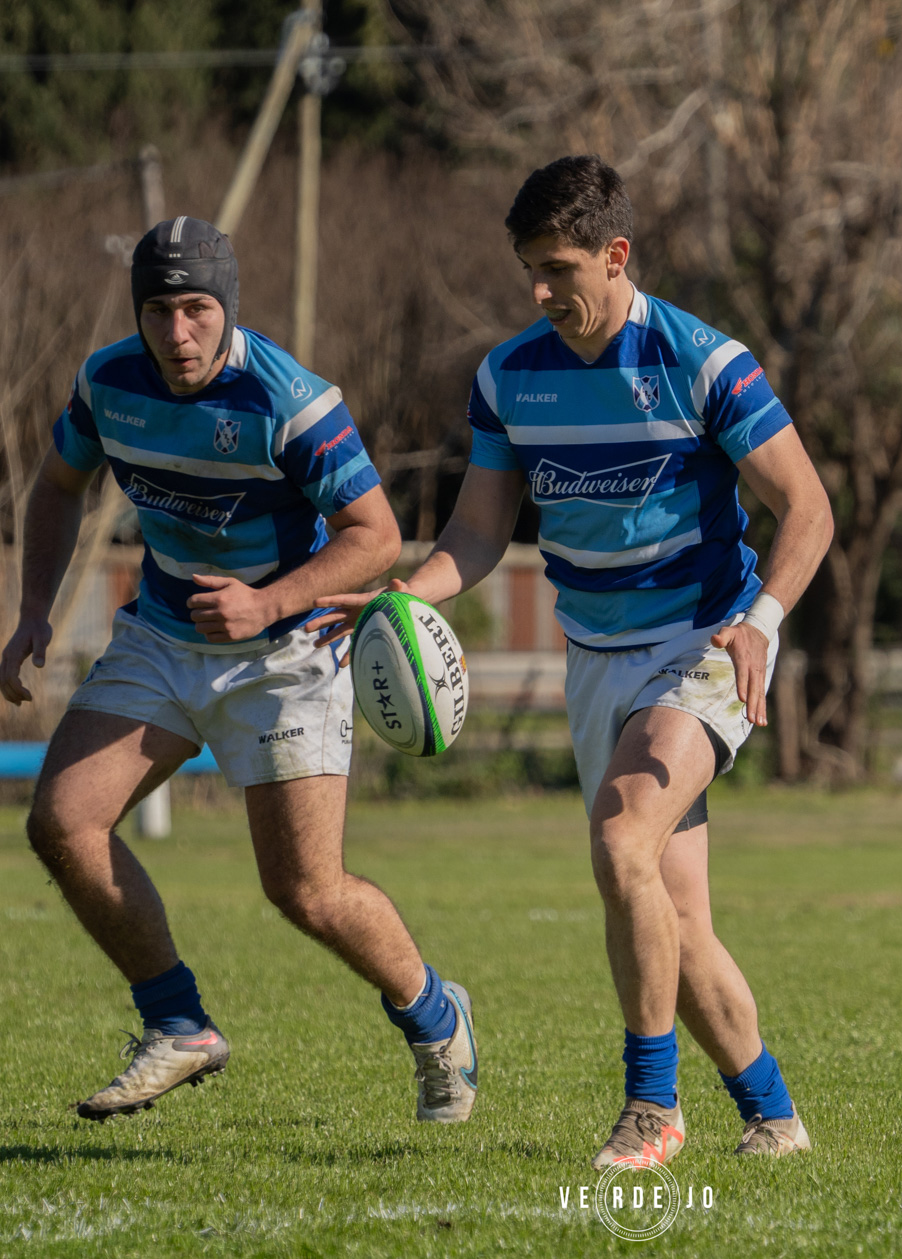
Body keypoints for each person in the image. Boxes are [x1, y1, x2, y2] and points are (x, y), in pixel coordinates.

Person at [317, 156, 832, 1164]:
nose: (541, 291)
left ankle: (652, 1106)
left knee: (620, 840)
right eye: (529, 272)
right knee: (671, 916)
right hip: (596, 661)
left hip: (705, 644)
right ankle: (773, 1114)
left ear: (617, 253)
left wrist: (763, 617)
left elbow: (807, 506)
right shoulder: (511, 375)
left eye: (558, 268)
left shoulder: (702, 363)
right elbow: (477, 530)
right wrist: (400, 598)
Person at [0, 216, 479, 1123]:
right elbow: (58, 484)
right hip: (163, 638)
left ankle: (433, 1012)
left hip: (285, 658)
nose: (177, 333)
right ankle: (177, 1022)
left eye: (195, 310)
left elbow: (376, 537)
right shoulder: (107, 383)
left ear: (228, 309)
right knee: (63, 820)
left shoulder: (290, 402)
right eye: (157, 311)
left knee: (305, 891)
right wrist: (34, 607)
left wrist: (270, 601)